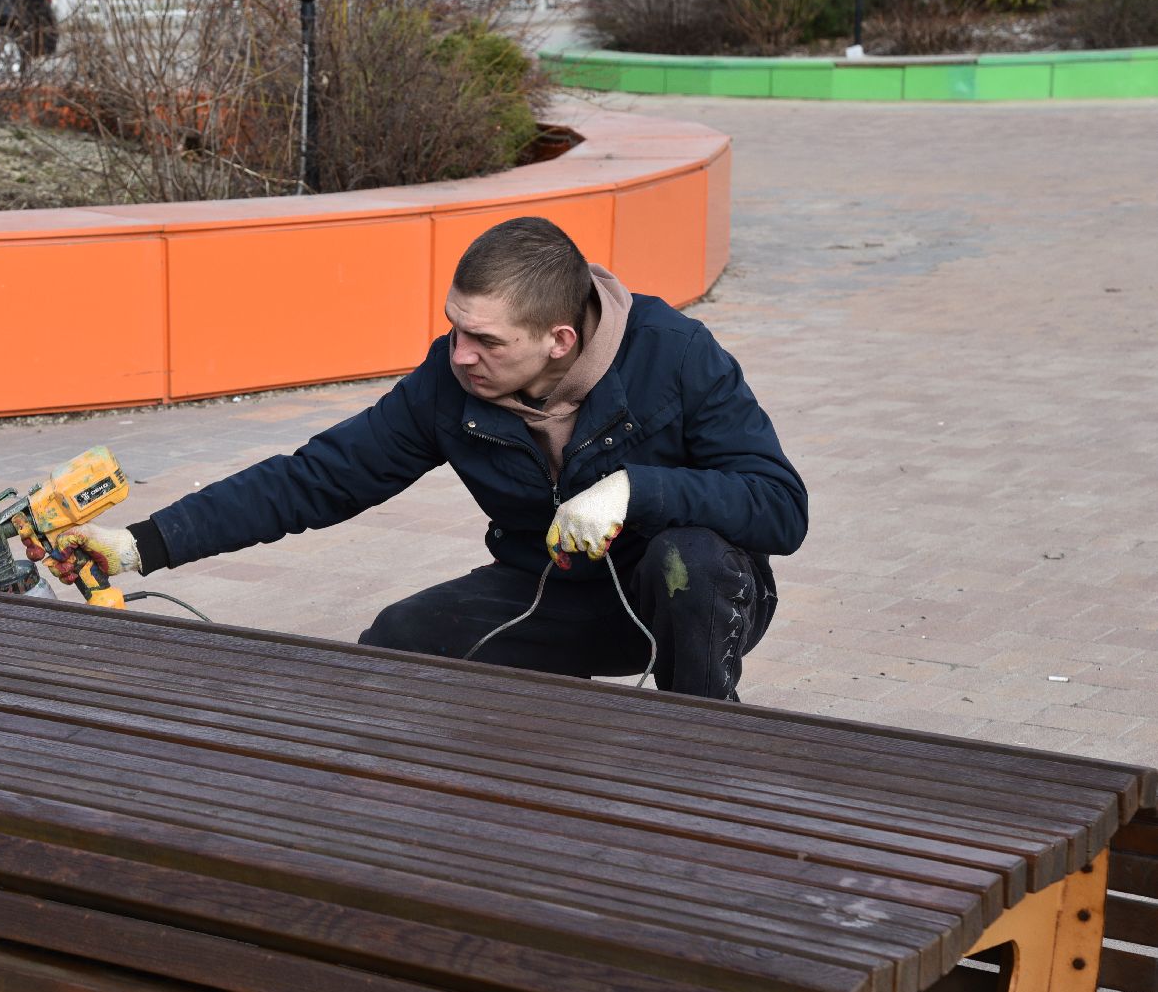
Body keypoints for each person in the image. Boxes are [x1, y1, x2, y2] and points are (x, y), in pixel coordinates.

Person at [52, 217, 806, 701]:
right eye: (454, 328)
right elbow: (316, 478)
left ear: (559, 340)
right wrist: (142, 544)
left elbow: (779, 505)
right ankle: (511, 793)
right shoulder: (448, 386)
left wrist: (635, 490)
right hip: (552, 590)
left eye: (486, 340)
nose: (461, 354)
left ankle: (704, 759)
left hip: (688, 602)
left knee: (688, 559)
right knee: (399, 645)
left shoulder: (675, 357)